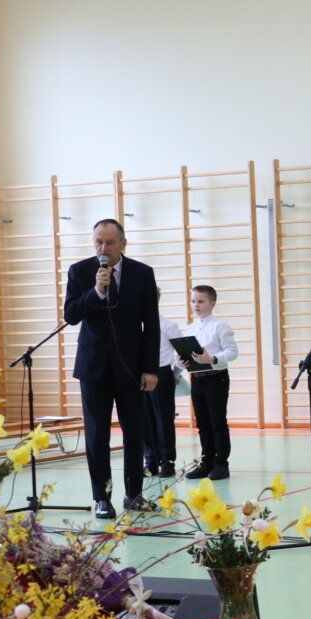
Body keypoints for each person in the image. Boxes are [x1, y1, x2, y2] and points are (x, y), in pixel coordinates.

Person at [63, 219, 160, 518]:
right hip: (93, 368)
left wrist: (151, 369)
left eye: (109, 242)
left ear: (123, 243)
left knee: (134, 433)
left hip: (131, 368)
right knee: (96, 436)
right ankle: (102, 499)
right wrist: (96, 291)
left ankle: (134, 494)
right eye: (98, 242)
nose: (103, 248)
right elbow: (71, 315)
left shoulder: (142, 273)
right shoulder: (79, 271)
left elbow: (151, 325)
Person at [180, 285, 238, 480]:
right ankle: (207, 463)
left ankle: (221, 464)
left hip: (216, 378)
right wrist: (181, 361)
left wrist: (212, 359)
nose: (195, 305)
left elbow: (232, 352)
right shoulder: (190, 328)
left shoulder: (220, 326)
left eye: (201, 301)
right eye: (193, 301)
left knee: (217, 422)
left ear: (212, 304)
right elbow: (185, 354)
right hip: (197, 379)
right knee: (202, 423)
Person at [143, 288, 182, 478]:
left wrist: (175, 373)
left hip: (161, 372)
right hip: (138, 375)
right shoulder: (134, 324)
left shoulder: (167, 325)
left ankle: (167, 461)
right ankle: (150, 461)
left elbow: (184, 352)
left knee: (163, 419)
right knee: (145, 420)